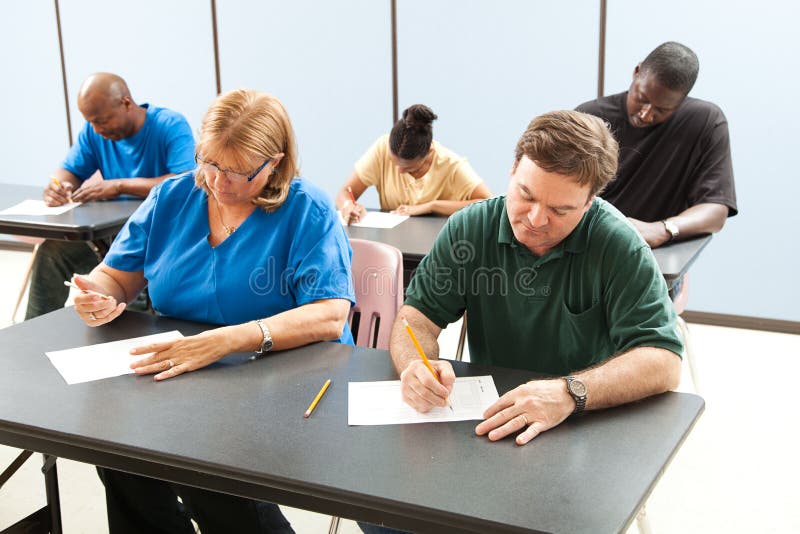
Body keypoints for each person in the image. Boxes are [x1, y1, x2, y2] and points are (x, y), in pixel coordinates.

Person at [71, 89, 355, 534]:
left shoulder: (307, 209)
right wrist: (97, 296)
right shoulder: (172, 197)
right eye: (210, 162)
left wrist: (229, 339)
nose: (219, 182)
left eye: (238, 172)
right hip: (187, 375)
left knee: (206, 466)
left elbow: (330, 315)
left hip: (284, 376)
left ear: (275, 163)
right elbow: (115, 277)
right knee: (119, 453)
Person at [26, 72, 196, 319]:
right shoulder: (94, 132)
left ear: (126, 103)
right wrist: (57, 186)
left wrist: (119, 186)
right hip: (110, 235)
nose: (97, 129)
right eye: (91, 122)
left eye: (102, 121)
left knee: (132, 281)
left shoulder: (170, 125)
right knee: (53, 253)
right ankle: (34, 330)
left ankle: (127, 331)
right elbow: (68, 171)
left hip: (160, 236)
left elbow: (185, 180)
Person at [577, 42, 737, 249]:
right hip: (587, 248)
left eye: (662, 109)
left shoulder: (706, 122)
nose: (646, 114)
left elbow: (715, 211)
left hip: (655, 258)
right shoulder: (589, 117)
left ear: (681, 102)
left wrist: (663, 230)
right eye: (641, 98)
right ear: (636, 72)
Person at [337, 104, 491, 223]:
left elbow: (487, 205)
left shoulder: (452, 165)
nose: (399, 172)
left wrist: (432, 206)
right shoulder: (381, 148)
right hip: (394, 245)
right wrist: (347, 206)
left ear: (430, 152)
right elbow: (345, 192)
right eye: (393, 162)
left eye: (408, 168)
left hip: (438, 248)